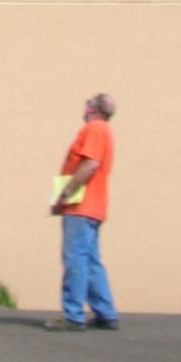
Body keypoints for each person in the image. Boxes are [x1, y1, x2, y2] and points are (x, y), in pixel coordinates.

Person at [45, 92, 119, 332]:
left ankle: (73, 314)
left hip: (81, 206)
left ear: (92, 108)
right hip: (93, 206)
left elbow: (89, 164)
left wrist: (66, 193)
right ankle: (105, 312)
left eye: (87, 104)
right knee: (91, 260)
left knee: (75, 259)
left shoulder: (95, 129)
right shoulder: (103, 129)